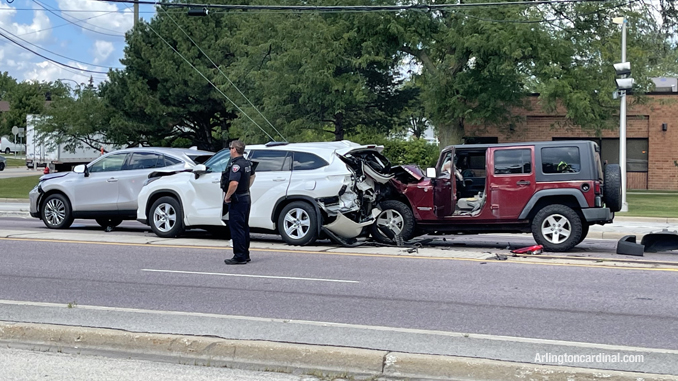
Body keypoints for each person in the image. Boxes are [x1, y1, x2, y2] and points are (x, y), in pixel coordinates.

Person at [222, 140, 256, 265]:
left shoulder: (236, 165)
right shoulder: (247, 163)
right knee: (244, 226)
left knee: (236, 227)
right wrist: (246, 187)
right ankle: (245, 254)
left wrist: (228, 195)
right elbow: (253, 176)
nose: (230, 150)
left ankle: (239, 256)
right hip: (246, 197)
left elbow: (234, 183)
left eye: (230, 148)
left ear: (234, 149)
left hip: (238, 199)